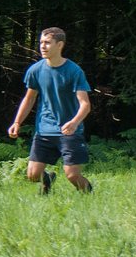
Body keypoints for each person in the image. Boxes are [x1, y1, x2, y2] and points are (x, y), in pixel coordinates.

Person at [8, 27, 94, 194]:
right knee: (33, 175)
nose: (42, 46)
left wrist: (74, 122)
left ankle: (90, 196)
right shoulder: (35, 70)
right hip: (45, 129)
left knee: (72, 175)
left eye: (47, 43)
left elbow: (85, 104)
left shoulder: (74, 71)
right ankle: (47, 180)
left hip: (69, 131)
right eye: (41, 42)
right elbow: (29, 98)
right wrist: (17, 122)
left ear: (59, 45)